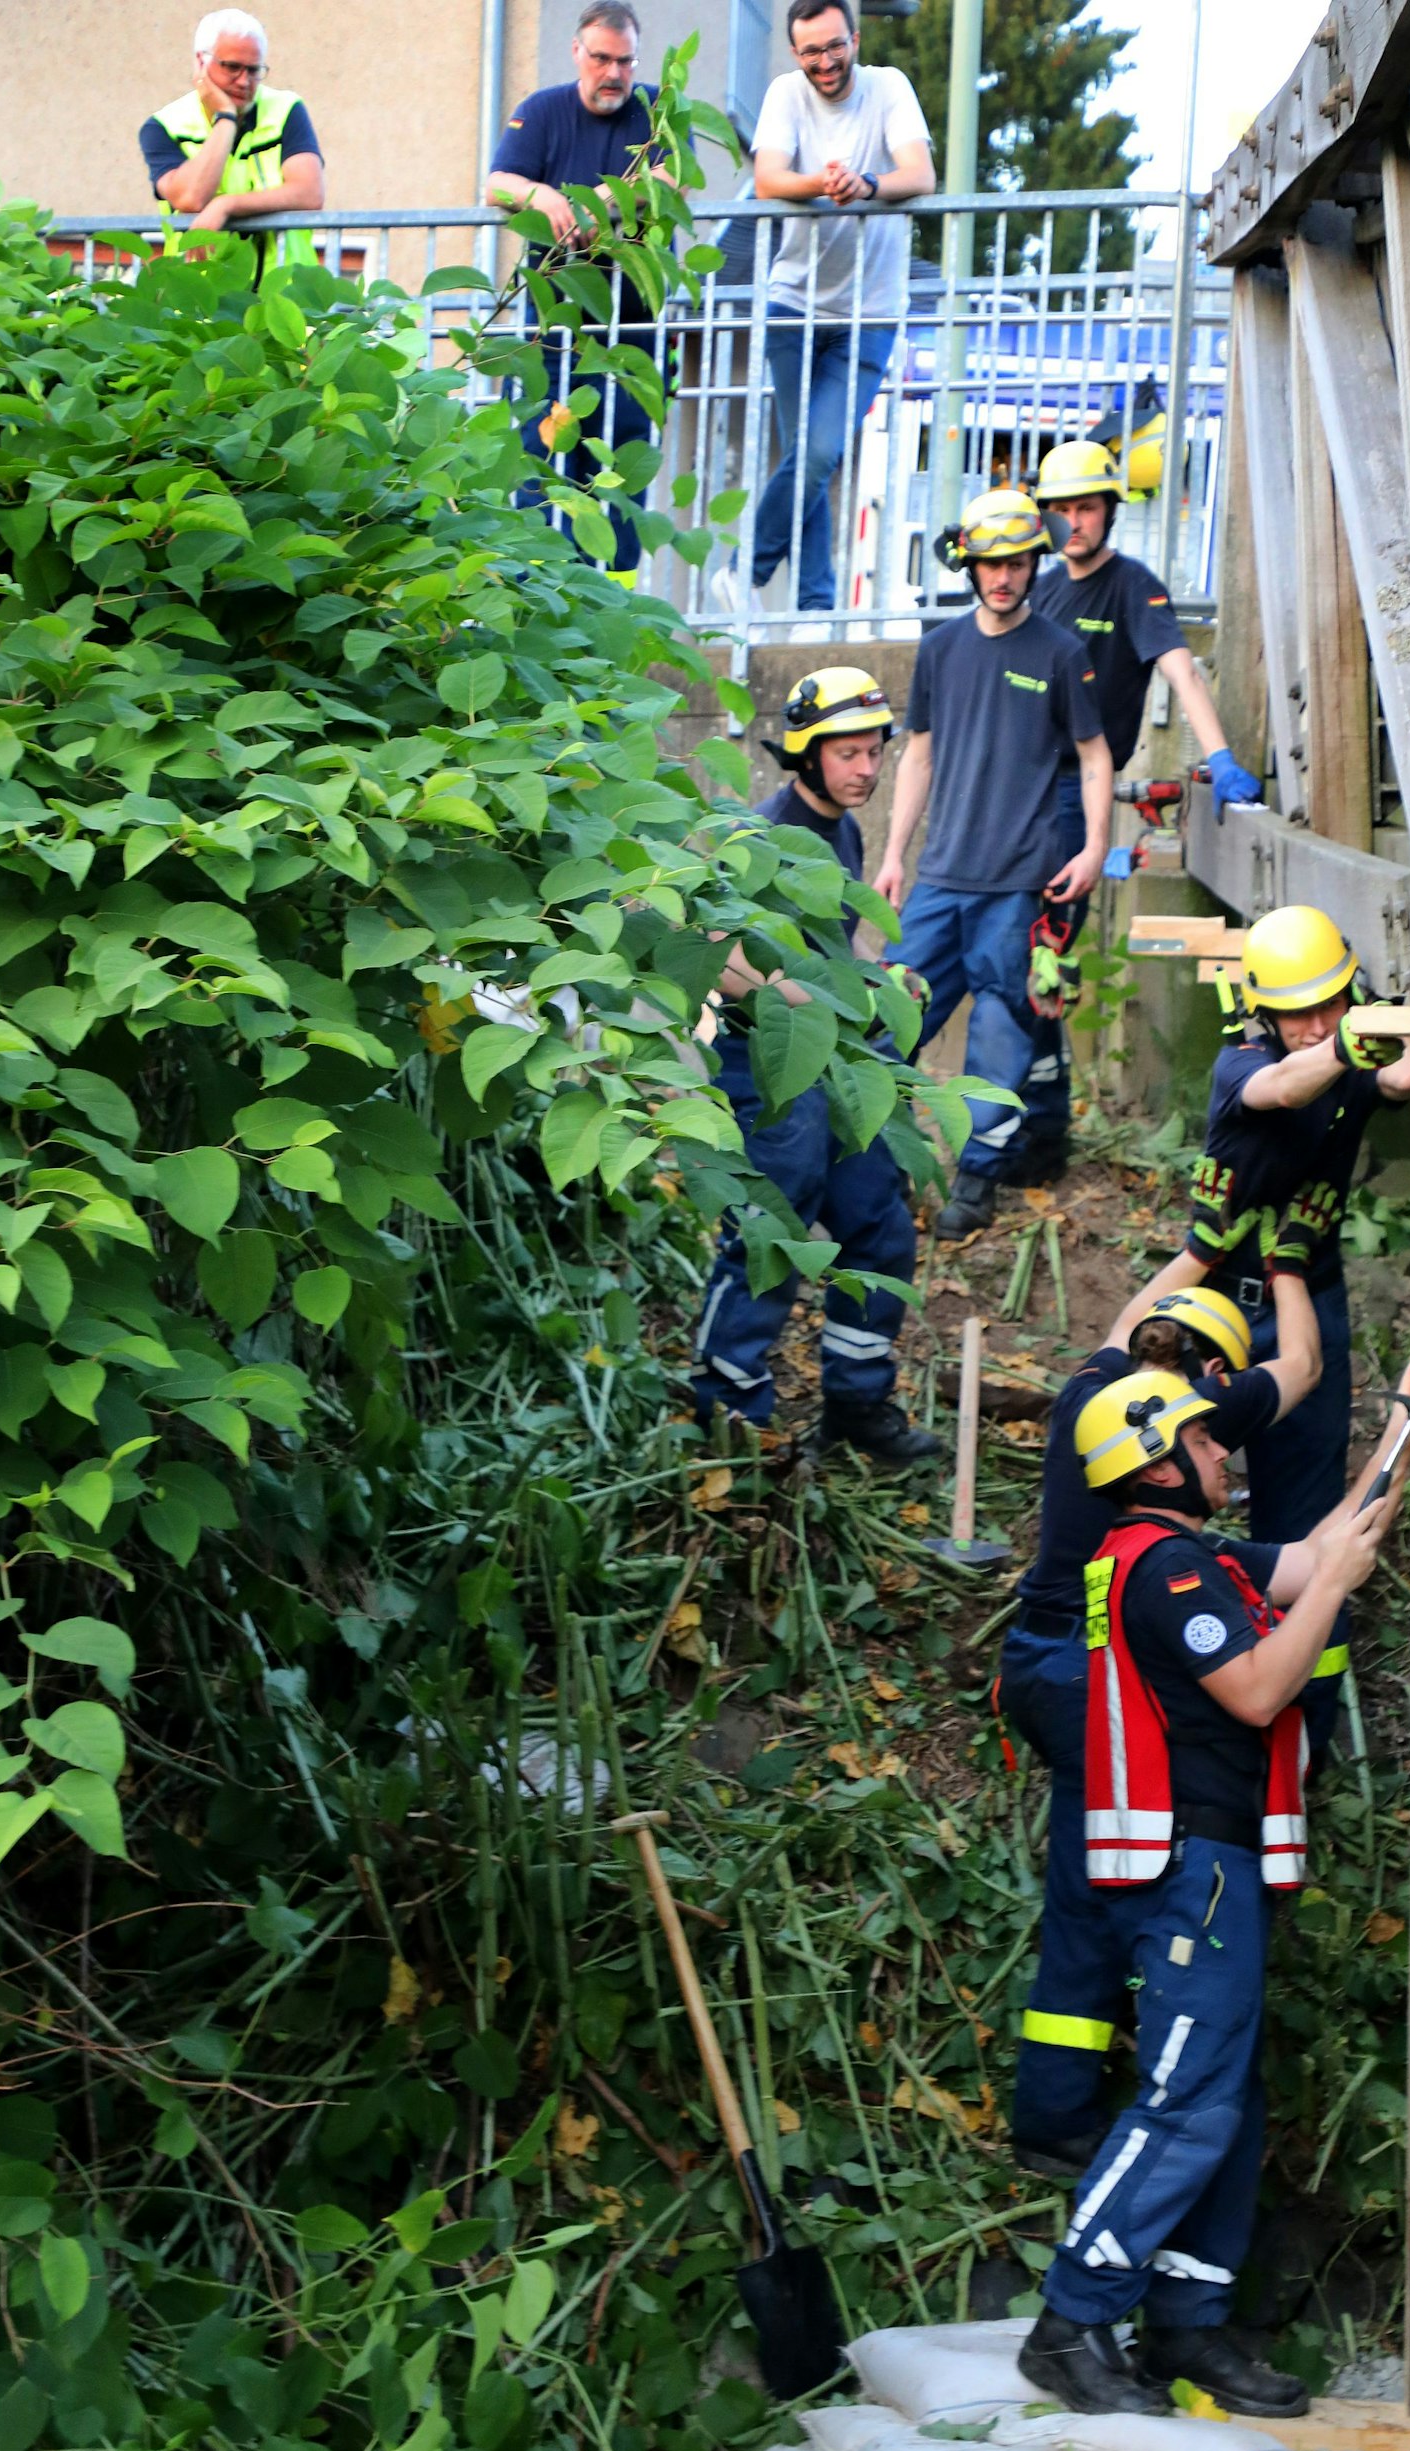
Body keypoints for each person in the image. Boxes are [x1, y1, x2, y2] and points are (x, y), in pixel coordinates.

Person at [1015, 1359, 1410, 2415]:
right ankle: (1071, 2318)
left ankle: (1185, 2327)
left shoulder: (1189, 1557)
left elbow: (1320, 1552)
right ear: (1154, 1462)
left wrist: (1398, 1433)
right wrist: (1331, 1587)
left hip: (1216, 1865)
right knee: (1187, 2101)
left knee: (1224, 2105)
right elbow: (1254, 1688)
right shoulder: (1165, 1569)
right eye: (1203, 1441)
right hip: (1191, 1870)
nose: (1221, 1453)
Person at [1003, 1239, 1326, 2177]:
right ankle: (1071, 2116)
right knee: (1106, 1879)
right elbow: (1300, 1364)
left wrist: (1203, 1244)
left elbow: (1126, 1321)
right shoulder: (1193, 1423)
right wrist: (1289, 1264)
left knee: (1088, 1872)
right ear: (1213, 1370)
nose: (1219, 1449)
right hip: (1097, 1667)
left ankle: (1057, 2106)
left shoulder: (1102, 1392)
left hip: (1040, 1654)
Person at [1154, 905, 1410, 1758]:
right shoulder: (1243, 1061)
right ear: (1260, 1012)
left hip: (1311, 1287)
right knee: (1180, 1484)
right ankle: (1205, 1680)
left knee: (1304, 1498)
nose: (1312, 1024)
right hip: (1221, 1308)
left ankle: (1310, 1721)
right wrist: (1341, 1045)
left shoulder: (1350, 1043)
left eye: (1328, 1003)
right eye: (1294, 1012)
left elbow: (1409, 1076)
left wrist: (1399, 1010)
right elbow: (1282, 1086)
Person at [691, 669, 942, 1466]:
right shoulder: (764, 838)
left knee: (878, 1220)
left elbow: (836, 940)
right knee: (770, 1228)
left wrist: (880, 975)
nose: (865, 768)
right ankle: (727, 1417)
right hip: (762, 1062)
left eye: (873, 752)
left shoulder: (842, 829)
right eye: (847, 753)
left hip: (834, 1061)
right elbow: (716, 953)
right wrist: (809, 1000)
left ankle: (856, 1408)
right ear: (804, 754)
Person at [876, 488, 1112, 1238]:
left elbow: (1093, 754)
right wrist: (891, 856)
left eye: (1014, 563)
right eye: (989, 564)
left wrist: (1095, 847)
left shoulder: (1059, 651)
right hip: (940, 878)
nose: (1002, 577)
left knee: (1001, 1033)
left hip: (1018, 883)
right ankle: (872, 1162)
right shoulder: (941, 648)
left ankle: (975, 1177)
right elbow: (916, 755)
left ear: (1032, 563)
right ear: (969, 567)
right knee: (890, 1013)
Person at [710, 0, 933, 624]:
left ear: (855, 39)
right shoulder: (785, 94)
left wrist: (863, 184)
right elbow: (768, 181)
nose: (825, 61)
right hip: (793, 306)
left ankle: (744, 571)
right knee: (809, 458)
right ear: (795, 53)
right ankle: (813, 606)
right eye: (811, 51)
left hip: (871, 311)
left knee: (817, 452)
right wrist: (825, 183)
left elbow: (921, 174)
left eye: (835, 46)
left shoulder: (889, 87)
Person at [488, 1, 664, 584]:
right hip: (551, 332)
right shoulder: (542, 111)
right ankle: (539, 595)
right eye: (601, 58)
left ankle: (617, 607)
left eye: (625, 60)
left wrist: (598, 204)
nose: (613, 73)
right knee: (540, 468)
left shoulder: (655, 109)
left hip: (631, 336)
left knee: (620, 470)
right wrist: (542, 197)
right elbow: (498, 184)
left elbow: (670, 180)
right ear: (576, 53)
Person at [1033, 436, 1265, 827]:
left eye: (1086, 508)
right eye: (1062, 510)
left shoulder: (1133, 586)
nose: (1073, 522)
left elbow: (1183, 673)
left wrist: (1220, 759)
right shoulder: (1042, 589)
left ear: (1109, 512)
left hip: (1078, 786)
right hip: (1019, 780)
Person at [143, 10, 323, 273]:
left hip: (282, 297)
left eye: (253, 70)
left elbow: (309, 192)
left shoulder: (286, 108)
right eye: (232, 67)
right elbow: (191, 198)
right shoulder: (164, 126)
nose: (244, 81)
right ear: (200, 63)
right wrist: (225, 117)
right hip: (202, 300)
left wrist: (226, 205)